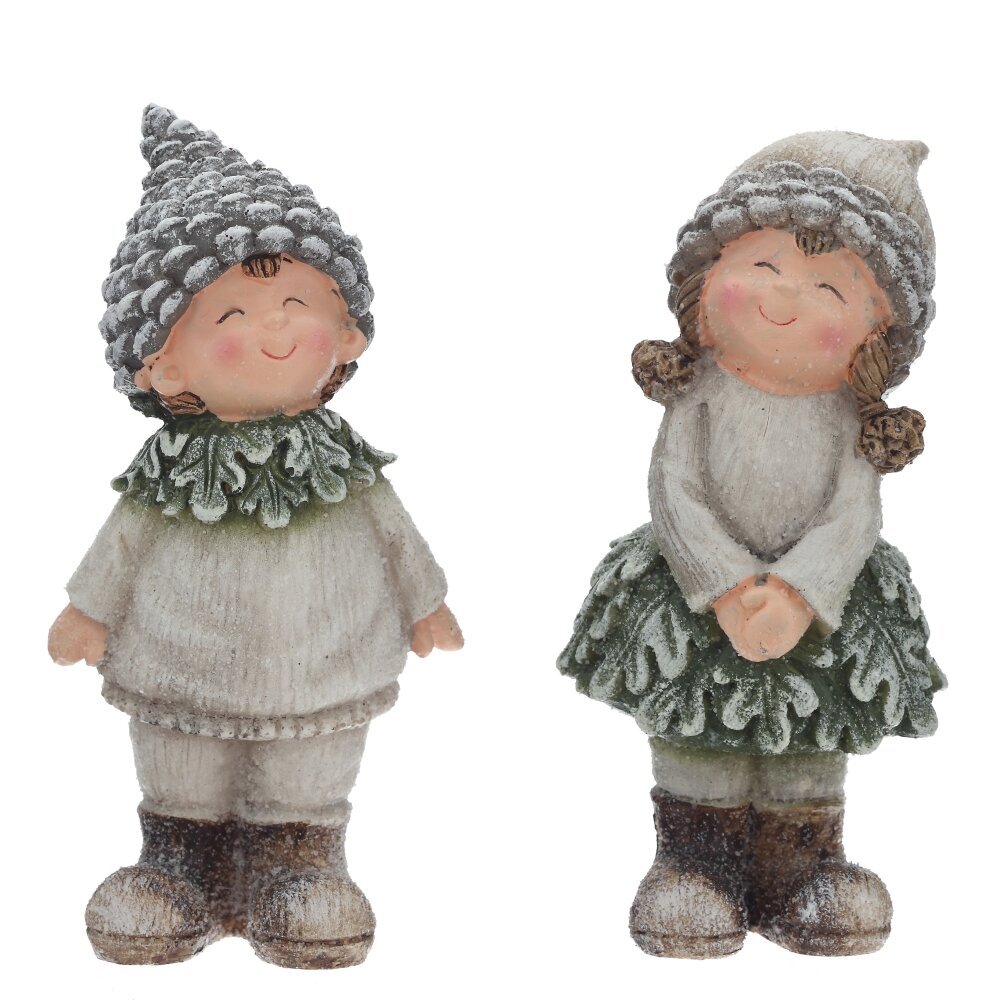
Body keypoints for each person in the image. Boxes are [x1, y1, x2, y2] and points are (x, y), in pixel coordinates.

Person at [48, 104, 462, 969]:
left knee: (305, 774)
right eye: (233, 312)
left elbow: (393, 534)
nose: (275, 326)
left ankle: (300, 865)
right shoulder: (169, 468)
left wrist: (427, 603)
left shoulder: (343, 462)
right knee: (184, 767)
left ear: (346, 334)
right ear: (162, 364)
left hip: (325, 660)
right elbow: (124, 541)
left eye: (296, 302)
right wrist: (88, 611)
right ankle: (177, 864)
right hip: (181, 661)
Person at [559, 132, 943, 958]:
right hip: (701, 604)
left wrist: (799, 592)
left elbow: (852, 514)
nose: (784, 298)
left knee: (809, 743)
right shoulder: (698, 395)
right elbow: (678, 492)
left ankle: (804, 865)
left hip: (816, 612)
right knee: (696, 736)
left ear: (878, 331)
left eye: (829, 287)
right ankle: (695, 864)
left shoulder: (846, 420)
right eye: (762, 266)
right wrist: (729, 586)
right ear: (705, 280)